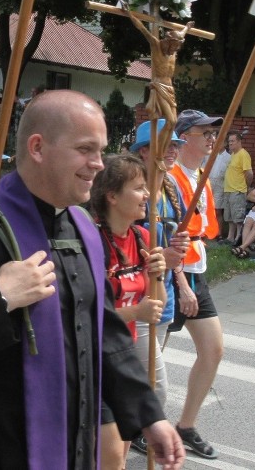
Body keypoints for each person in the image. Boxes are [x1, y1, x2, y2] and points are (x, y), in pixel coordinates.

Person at [0, 90, 184, 470]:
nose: (98, 164)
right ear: (38, 147)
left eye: (101, 150)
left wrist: (150, 414)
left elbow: (103, 331)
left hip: (68, 446)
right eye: (85, 149)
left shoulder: (84, 230)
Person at [90, 154, 168, 470]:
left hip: (123, 356)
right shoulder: (92, 242)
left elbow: (156, 306)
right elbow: (86, 314)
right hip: (95, 359)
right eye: (138, 188)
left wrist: (158, 275)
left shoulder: (143, 237)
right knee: (108, 458)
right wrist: (136, 311)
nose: (147, 195)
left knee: (118, 456)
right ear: (112, 196)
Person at [129, 120, 190, 456]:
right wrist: (161, 256)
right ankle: (139, 431)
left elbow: (172, 244)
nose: (172, 150)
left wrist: (181, 279)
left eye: (175, 144)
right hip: (138, 298)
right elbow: (124, 246)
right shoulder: (135, 191)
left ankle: (129, 431)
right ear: (142, 151)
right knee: (155, 386)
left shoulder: (172, 189)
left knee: (147, 373)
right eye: (164, 144)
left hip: (162, 296)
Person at [169, 109, 224, 459]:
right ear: (184, 136)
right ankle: (141, 425)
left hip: (195, 271)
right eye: (205, 133)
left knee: (213, 350)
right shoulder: (170, 176)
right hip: (172, 274)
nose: (211, 139)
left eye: (212, 133)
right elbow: (167, 235)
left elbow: (206, 227)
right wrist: (182, 285)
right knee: (150, 357)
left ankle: (185, 425)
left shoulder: (200, 173)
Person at [221, 131, 252, 245]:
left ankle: (239, 238)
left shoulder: (243, 154)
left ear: (239, 141)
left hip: (238, 190)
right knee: (229, 216)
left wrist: (246, 187)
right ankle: (230, 237)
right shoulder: (233, 154)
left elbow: (249, 173)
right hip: (228, 189)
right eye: (229, 141)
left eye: (233, 141)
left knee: (238, 217)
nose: (230, 143)